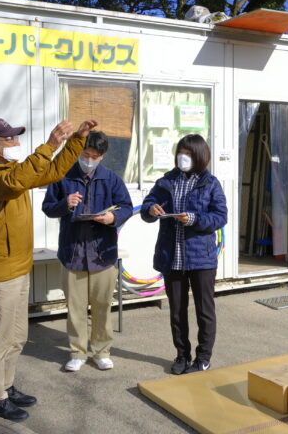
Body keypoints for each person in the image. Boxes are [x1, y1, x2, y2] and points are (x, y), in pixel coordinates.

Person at [0, 117, 97, 422]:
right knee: (0, 337)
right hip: (0, 269)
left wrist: (76, 140)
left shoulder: (10, 169)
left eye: (14, 139)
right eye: (10, 140)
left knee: (17, 336)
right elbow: (16, 181)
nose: (15, 144)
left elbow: (51, 171)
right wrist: (51, 144)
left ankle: (7, 386)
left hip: (18, 265)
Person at [42, 131, 133, 372]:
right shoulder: (63, 176)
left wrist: (113, 217)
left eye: (95, 156)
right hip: (73, 252)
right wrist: (65, 204)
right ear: (78, 152)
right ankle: (77, 352)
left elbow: (126, 206)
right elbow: (48, 208)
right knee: (75, 307)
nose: (89, 160)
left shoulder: (111, 179)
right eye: (85, 154)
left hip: (103, 253)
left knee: (102, 305)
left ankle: (101, 351)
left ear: (102, 157)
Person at [140, 134, 227, 375]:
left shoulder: (210, 183)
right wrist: (151, 208)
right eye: (180, 152)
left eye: (188, 154)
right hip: (172, 256)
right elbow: (148, 205)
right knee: (177, 310)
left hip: (201, 258)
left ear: (199, 156)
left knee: (204, 310)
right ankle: (181, 355)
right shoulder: (167, 181)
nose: (183, 157)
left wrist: (195, 219)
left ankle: (203, 358)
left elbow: (220, 216)